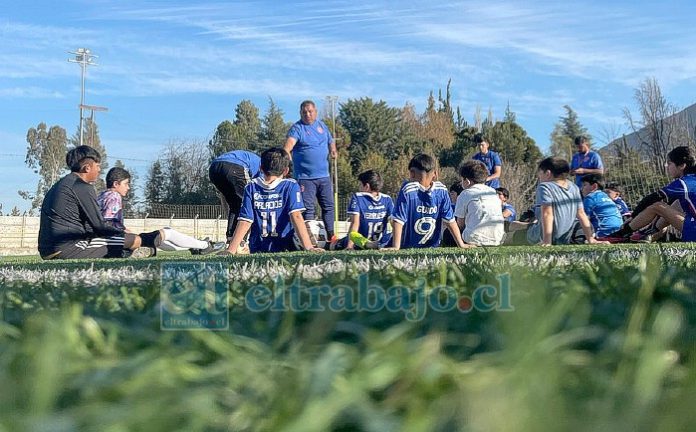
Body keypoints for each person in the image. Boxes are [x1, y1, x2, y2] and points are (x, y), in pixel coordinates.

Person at [38, 145, 161, 260]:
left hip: (46, 250)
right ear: (87, 168)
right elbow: (99, 226)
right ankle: (148, 244)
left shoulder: (60, 185)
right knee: (135, 240)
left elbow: (87, 226)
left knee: (121, 243)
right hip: (67, 249)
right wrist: (122, 232)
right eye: (98, 166)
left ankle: (130, 252)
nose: (99, 170)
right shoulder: (82, 186)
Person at [98, 167, 224, 255]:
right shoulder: (114, 196)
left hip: (113, 241)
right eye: (126, 184)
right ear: (115, 184)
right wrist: (127, 234)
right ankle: (205, 246)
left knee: (157, 242)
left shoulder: (102, 195)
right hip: (116, 243)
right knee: (167, 232)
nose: (128, 187)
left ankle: (195, 246)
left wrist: (127, 231)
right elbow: (108, 223)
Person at [225, 148, 325, 254]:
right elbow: (296, 216)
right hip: (286, 247)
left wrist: (231, 250)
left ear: (261, 168)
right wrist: (309, 247)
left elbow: (245, 220)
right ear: (286, 170)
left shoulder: (251, 187)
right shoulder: (291, 186)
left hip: (257, 248)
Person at [604, 146, 696, 243]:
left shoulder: (684, 183)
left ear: (681, 165)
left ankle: (621, 234)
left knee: (658, 206)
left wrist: (633, 217)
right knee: (676, 205)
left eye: (669, 163)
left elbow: (652, 198)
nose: (666, 166)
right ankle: (646, 235)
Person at [507, 157, 602, 246]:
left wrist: (546, 241)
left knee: (512, 237)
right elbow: (581, 214)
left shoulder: (545, 187)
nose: (539, 178)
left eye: (540, 175)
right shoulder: (574, 187)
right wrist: (590, 239)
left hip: (540, 236)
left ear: (548, 173)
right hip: (564, 239)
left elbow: (547, 213)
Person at [390, 153, 470, 250]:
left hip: (407, 247)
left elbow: (398, 220)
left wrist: (396, 246)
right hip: (433, 248)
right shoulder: (442, 190)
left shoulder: (408, 189)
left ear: (412, 173)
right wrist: (461, 244)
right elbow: (450, 220)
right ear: (435, 174)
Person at [283, 100, 338, 239]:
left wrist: (333, 150)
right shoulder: (297, 129)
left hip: (324, 176)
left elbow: (330, 140)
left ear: (315, 112)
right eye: (304, 112)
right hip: (305, 178)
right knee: (308, 209)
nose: (307, 114)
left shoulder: (322, 126)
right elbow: (287, 147)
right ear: (300, 113)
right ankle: (309, 238)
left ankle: (331, 236)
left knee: (329, 206)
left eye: (310, 111)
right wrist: (287, 160)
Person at [332, 169, 394, 250]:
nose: (359, 188)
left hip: (358, 242)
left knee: (333, 245)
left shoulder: (358, 197)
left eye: (360, 185)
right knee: (389, 236)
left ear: (367, 186)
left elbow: (355, 223)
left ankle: (366, 244)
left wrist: (350, 246)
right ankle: (374, 244)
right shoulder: (387, 199)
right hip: (380, 241)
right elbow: (394, 222)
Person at [208, 150, 262, 243]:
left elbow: (223, 196)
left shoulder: (255, 162)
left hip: (214, 168)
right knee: (247, 204)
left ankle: (231, 238)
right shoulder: (264, 170)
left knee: (235, 205)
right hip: (235, 166)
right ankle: (242, 240)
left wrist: (228, 214)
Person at [455, 160, 505, 246]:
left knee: (449, 233)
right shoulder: (493, 193)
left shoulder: (465, 194)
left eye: (462, 180)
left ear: (467, 181)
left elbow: (460, 224)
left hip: (473, 239)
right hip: (497, 239)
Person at [441, 182, 465, 247]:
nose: (450, 197)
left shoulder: (456, 207)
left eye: (452, 194)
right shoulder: (451, 206)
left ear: (459, 195)